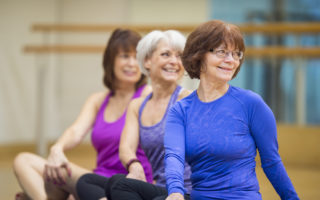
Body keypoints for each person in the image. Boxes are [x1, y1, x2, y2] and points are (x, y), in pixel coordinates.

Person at [164, 20, 300, 200]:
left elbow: (271, 162)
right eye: (221, 52)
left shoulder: (251, 103)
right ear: (199, 55)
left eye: (236, 54)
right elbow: (174, 156)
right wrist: (175, 191)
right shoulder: (180, 111)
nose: (231, 60)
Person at [13, 28, 153, 200]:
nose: (132, 63)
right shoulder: (98, 100)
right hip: (95, 180)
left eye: (136, 57)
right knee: (23, 161)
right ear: (111, 61)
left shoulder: (149, 95)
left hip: (130, 184)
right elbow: (76, 131)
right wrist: (57, 149)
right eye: (125, 56)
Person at [76, 30, 192, 200]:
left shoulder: (188, 100)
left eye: (179, 56)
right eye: (166, 54)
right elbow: (126, 148)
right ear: (147, 61)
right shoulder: (138, 106)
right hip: (159, 188)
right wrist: (134, 164)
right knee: (93, 181)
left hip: (186, 191)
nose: (174, 61)